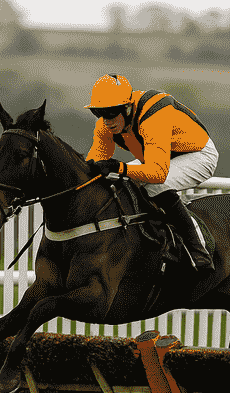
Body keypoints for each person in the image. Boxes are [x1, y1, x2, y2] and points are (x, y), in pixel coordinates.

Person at [84, 73, 218, 271]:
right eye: (100, 113)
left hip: (198, 154)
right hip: (159, 156)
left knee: (156, 185)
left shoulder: (153, 116)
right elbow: (94, 163)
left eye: (112, 112)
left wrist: (120, 168)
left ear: (128, 107)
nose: (107, 120)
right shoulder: (105, 125)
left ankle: (198, 248)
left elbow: (158, 173)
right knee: (120, 184)